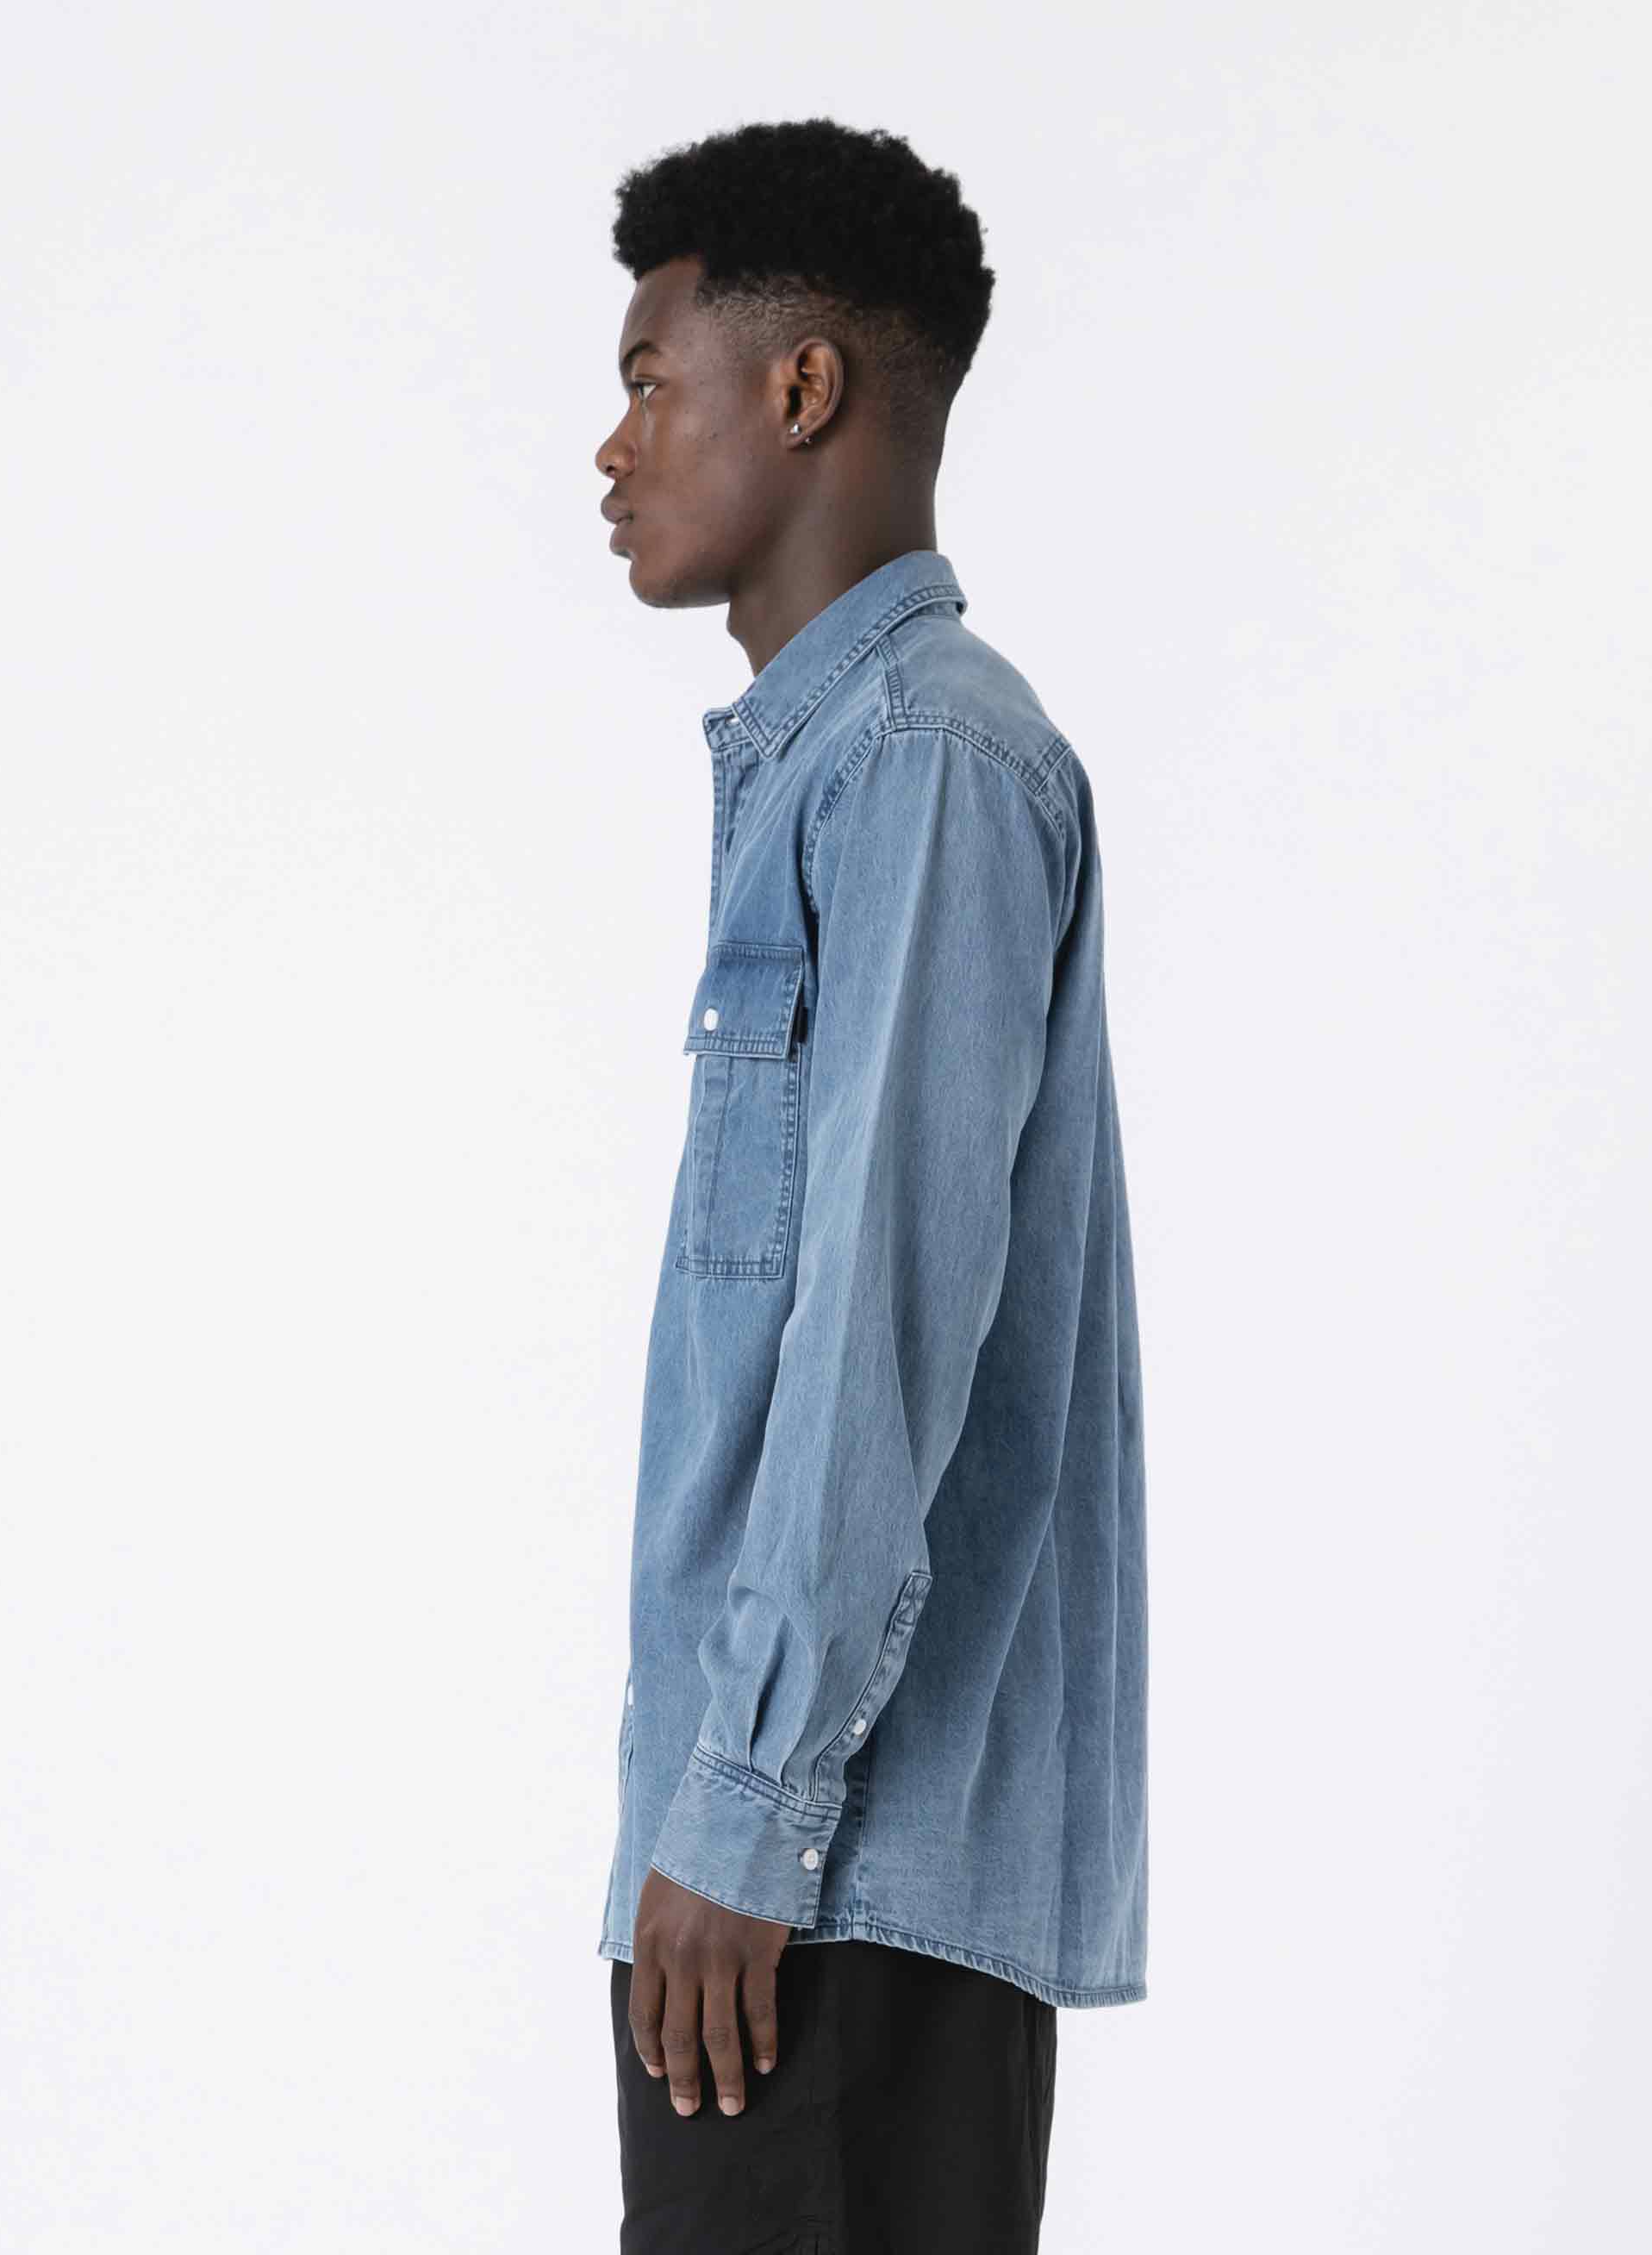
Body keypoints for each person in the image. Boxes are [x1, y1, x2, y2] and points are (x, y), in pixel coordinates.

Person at [591, 117, 1148, 2254]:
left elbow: (884, 1315)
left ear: (802, 385)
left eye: (653, 380)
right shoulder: (846, 762)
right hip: (789, 1878)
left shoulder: (926, 756)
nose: (617, 447)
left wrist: (744, 1802)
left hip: (824, 1884)